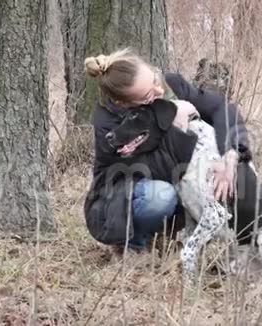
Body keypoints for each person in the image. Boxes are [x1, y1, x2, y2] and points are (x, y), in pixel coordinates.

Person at [83, 48, 251, 253]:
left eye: (155, 80)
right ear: (123, 103)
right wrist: (176, 121)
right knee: (161, 196)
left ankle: (190, 235)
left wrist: (232, 152)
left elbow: (223, 108)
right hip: (121, 196)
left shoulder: (171, 85)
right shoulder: (108, 123)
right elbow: (153, 166)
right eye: (147, 95)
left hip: (174, 183)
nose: (160, 92)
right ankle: (133, 244)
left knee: (215, 176)